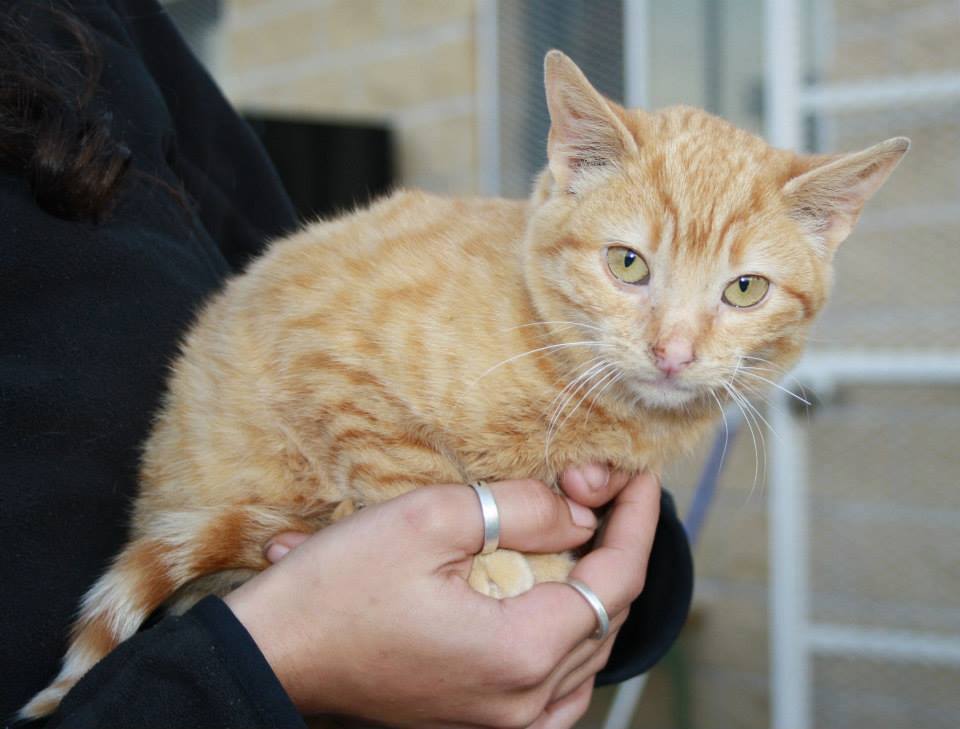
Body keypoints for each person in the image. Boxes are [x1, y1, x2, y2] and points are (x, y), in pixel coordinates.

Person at [0, 1, 693, 727]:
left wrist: (612, 573)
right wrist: (275, 655)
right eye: (631, 265)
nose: (675, 345)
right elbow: (339, 359)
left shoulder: (94, 20)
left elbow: (296, 277)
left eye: (743, 290)